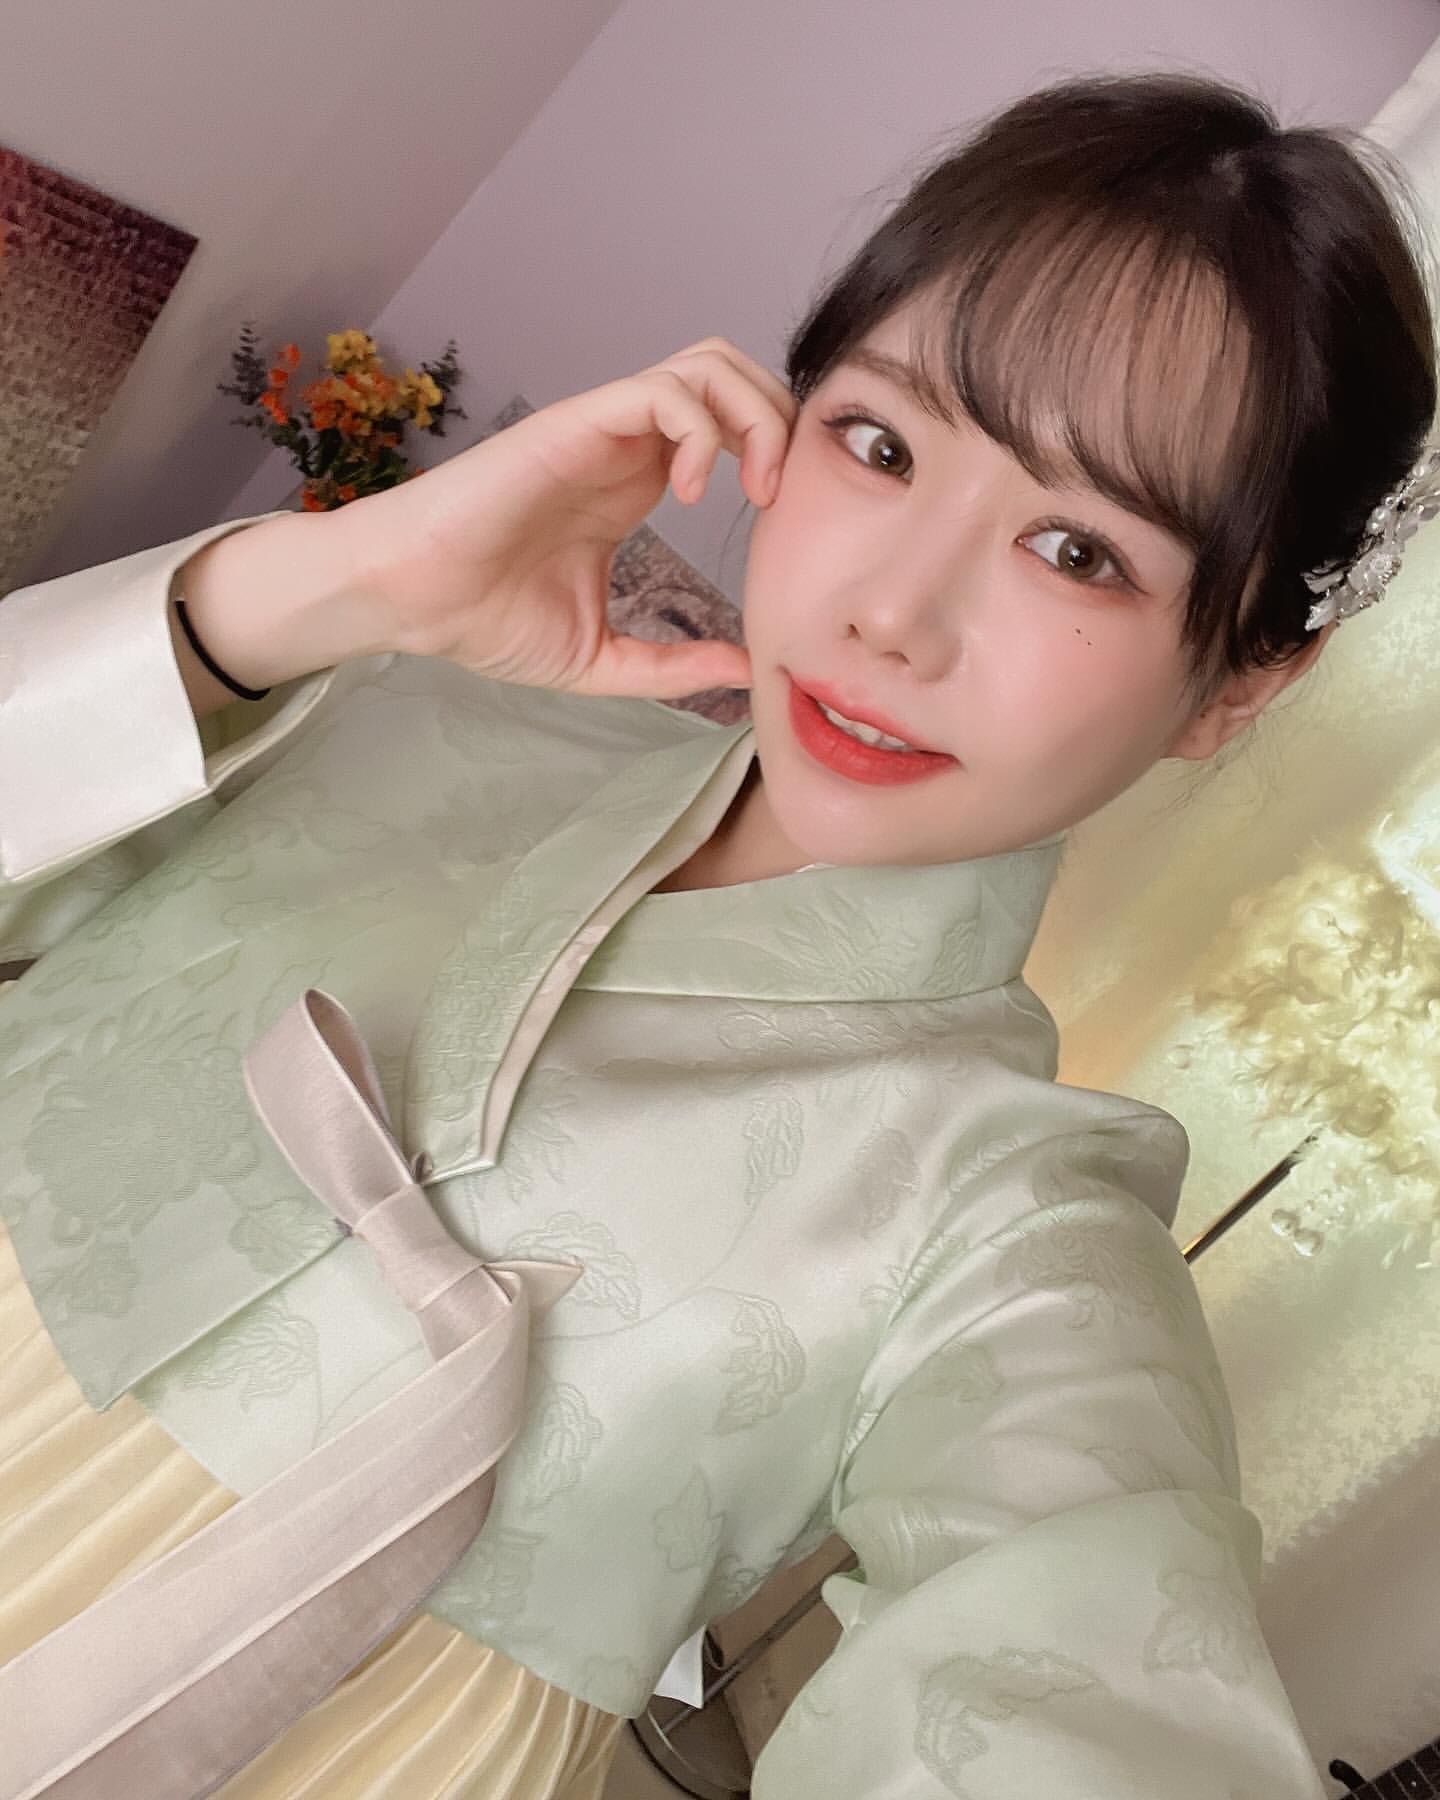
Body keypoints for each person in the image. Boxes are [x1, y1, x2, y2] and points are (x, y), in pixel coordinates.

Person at [0, 68, 1431, 1799]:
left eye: (1078, 550)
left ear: (1240, 686)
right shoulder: (391, 706)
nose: (891, 614)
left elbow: (1085, 1685)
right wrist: (326, 588)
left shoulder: (1019, 1226)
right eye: (880, 445)